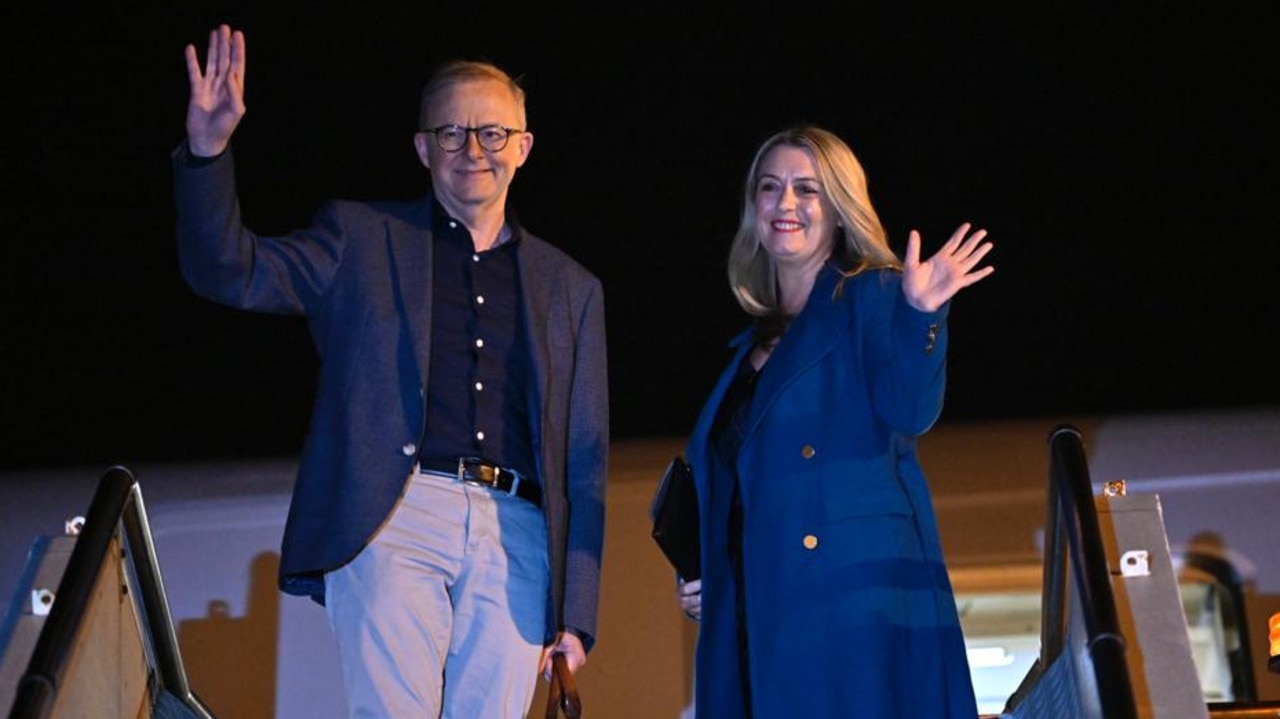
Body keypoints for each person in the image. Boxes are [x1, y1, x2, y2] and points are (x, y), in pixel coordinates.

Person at [174, 25, 608, 718]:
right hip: (396, 512)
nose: (474, 150)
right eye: (452, 133)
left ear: (524, 147)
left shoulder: (572, 287)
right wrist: (207, 152)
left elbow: (583, 464)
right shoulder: (360, 238)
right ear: (421, 148)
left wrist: (576, 613)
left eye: (494, 134)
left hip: (518, 532)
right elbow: (231, 271)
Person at [675, 125, 992, 717]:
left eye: (807, 190)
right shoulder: (746, 350)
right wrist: (708, 571)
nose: (784, 203)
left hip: (849, 615)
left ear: (840, 209)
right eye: (769, 188)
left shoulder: (874, 296)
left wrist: (921, 314)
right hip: (757, 615)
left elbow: (911, 411)